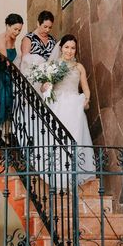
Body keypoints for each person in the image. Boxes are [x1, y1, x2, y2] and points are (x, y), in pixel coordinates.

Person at [41, 34, 95, 186]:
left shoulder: (79, 67)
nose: (70, 51)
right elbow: (44, 86)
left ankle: (73, 173)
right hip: (57, 104)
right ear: (61, 48)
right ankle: (57, 173)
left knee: (74, 137)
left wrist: (86, 100)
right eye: (67, 47)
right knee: (57, 138)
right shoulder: (54, 65)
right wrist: (45, 87)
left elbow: (85, 87)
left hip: (74, 104)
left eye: (73, 48)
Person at [19, 10, 57, 80]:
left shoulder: (52, 40)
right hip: (33, 77)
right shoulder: (29, 39)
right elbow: (24, 62)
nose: (47, 30)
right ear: (38, 23)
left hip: (49, 77)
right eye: (45, 27)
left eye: (50, 27)